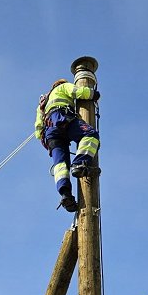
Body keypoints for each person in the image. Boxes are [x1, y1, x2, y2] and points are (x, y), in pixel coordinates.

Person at [33, 78, 101, 213]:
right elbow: (79, 92)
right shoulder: (62, 87)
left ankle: (65, 195)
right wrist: (94, 94)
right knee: (90, 135)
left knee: (60, 165)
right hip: (62, 118)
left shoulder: (42, 104)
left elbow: (37, 130)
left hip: (50, 133)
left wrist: (49, 142)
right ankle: (80, 164)